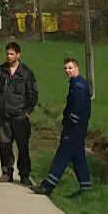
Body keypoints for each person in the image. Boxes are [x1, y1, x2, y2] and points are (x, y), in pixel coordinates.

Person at [33, 57, 91, 194]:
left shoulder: (78, 86)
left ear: (77, 68)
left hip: (74, 128)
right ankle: (86, 188)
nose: (67, 71)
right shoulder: (76, 83)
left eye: (70, 68)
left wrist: (69, 122)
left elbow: (78, 108)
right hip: (79, 128)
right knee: (78, 157)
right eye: (65, 68)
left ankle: (48, 186)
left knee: (62, 155)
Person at [0, 42, 38, 182]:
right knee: (5, 144)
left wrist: (27, 111)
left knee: (22, 145)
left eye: (12, 54)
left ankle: (24, 175)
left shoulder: (26, 73)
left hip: (20, 116)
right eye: (7, 53)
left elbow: (33, 94)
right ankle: (6, 172)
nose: (9, 56)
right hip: (4, 115)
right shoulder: (0, 71)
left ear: (18, 55)